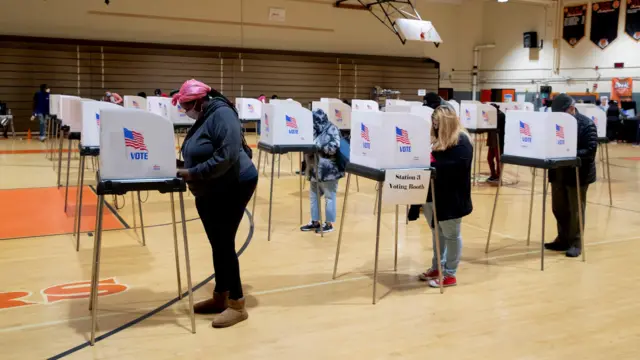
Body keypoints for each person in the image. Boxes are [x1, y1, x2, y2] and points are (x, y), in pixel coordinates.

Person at [173, 79, 258, 328]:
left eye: (186, 104)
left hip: (234, 183)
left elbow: (227, 155)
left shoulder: (221, 113)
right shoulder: (206, 115)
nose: (184, 110)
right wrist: (182, 166)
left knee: (223, 243)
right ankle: (221, 295)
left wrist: (192, 173)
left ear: (199, 100)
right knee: (218, 243)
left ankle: (237, 303)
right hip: (213, 185)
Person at [416, 105, 473, 288]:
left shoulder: (462, 141)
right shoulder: (438, 139)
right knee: (437, 233)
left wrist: (430, 161)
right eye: (433, 123)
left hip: (451, 198)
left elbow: (454, 167)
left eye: (437, 123)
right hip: (434, 195)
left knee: (451, 235)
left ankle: (450, 274)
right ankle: (437, 266)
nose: (435, 126)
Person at [545, 93, 597, 258]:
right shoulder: (555, 124)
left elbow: (589, 152)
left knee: (575, 211)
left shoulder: (587, 125)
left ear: (572, 109)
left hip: (578, 174)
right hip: (558, 172)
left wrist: (567, 152)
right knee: (558, 208)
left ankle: (576, 242)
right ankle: (562, 239)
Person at [300, 109, 343, 234]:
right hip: (314, 170)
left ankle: (329, 224)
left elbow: (334, 147)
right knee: (314, 196)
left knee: (329, 197)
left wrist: (317, 147)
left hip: (329, 171)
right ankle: (315, 221)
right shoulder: (314, 130)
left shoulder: (332, 129)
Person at [486, 103, 505, 182]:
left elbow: (503, 129)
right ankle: (493, 175)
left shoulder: (501, 115)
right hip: (492, 140)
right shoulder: (491, 115)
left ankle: (498, 175)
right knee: (489, 158)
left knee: (498, 159)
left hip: (498, 140)